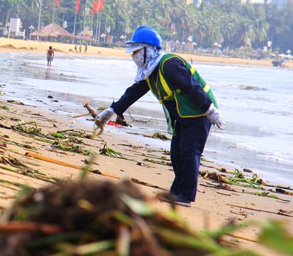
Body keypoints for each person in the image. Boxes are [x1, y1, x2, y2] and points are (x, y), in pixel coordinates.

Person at [95, 26, 224, 207]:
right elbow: (133, 93)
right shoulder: (150, 72)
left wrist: (211, 111)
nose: (134, 56)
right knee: (176, 154)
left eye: (137, 51)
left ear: (150, 50)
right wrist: (112, 111)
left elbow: (191, 87)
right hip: (182, 116)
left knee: (189, 152)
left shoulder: (168, 64)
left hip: (199, 112)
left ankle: (186, 196)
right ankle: (175, 193)